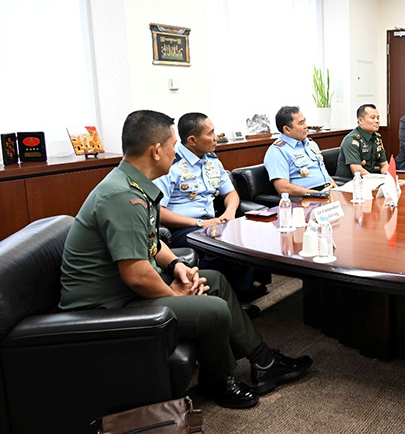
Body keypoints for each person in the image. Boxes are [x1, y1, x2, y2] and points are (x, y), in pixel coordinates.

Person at [59, 110, 312, 409]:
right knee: (212, 309)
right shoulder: (121, 197)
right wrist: (173, 294)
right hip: (106, 307)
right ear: (156, 151)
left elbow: (152, 244)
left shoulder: (134, 185)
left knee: (213, 279)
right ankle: (219, 378)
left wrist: (178, 266)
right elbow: (137, 275)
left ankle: (264, 361)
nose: (174, 151)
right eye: (172, 144)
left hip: (124, 292)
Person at [152, 112, 263, 313]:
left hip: (213, 222)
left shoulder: (212, 160)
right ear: (192, 140)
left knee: (249, 234)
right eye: (210, 133)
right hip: (184, 227)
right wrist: (200, 224)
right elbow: (158, 210)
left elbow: (231, 194)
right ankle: (216, 301)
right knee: (218, 247)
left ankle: (239, 295)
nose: (215, 138)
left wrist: (230, 213)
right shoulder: (171, 165)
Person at [264, 106, 337, 196]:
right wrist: (317, 194)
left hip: (328, 192)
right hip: (306, 198)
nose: (306, 126)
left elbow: (320, 170)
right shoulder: (277, 151)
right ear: (287, 129)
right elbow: (283, 188)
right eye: (301, 123)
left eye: (305, 121)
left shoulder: (311, 144)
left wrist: (333, 185)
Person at [337, 104, 388, 178]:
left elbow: (384, 164)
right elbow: (357, 170)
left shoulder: (377, 138)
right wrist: (376, 180)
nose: (377, 121)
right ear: (360, 120)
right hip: (349, 182)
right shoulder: (352, 140)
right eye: (372, 118)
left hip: (368, 180)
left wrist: (386, 177)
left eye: (378, 118)